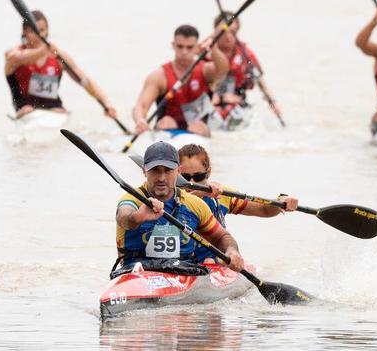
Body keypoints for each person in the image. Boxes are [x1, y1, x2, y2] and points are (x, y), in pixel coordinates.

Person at [114, 141, 245, 271]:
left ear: (179, 171)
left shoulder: (194, 204)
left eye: (168, 170)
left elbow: (222, 237)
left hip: (182, 273)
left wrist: (232, 251)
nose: (161, 178)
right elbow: (123, 218)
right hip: (135, 272)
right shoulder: (132, 199)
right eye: (155, 170)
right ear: (144, 170)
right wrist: (137, 217)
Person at [175, 144, 298, 263]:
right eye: (185, 178)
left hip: (212, 261)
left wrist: (281, 200)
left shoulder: (222, 195)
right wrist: (201, 194)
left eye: (198, 177)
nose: (191, 183)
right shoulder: (170, 196)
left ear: (208, 172)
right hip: (181, 261)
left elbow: (264, 210)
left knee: (211, 260)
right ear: (176, 174)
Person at [4, 10, 117, 119]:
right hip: (24, 108)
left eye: (42, 30)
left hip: (54, 108)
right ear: (24, 32)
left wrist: (107, 103)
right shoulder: (13, 54)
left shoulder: (59, 57)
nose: (38, 35)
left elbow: (85, 81)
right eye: (33, 31)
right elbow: (18, 58)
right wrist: (44, 50)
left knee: (59, 111)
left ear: (47, 31)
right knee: (27, 109)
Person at [132, 25, 229, 137]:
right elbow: (141, 106)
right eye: (180, 46)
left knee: (197, 126)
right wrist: (140, 120)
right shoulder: (159, 76)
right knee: (167, 121)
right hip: (167, 127)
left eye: (189, 47)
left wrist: (214, 50)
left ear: (197, 47)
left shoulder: (206, 71)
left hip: (198, 128)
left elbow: (223, 70)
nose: (184, 52)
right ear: (173, 45)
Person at [209, 13, 281, 124]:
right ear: (216, 31)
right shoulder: (204, 52)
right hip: (210, 104)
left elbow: (260, 82)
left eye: (233, 32)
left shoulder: (246, 55)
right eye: (224, 32)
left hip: (237, 105)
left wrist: (272, 103)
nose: (228, 36)